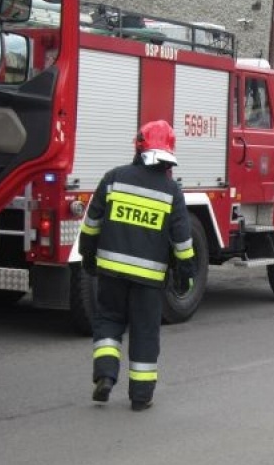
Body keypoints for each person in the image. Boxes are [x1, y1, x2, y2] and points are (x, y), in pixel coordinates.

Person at [79, 120, 196, 411]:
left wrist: (88, 257)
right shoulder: (172, 191)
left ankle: (105, 376)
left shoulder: (113, 178)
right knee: (144, 332)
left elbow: (91, 224)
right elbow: (182, 241)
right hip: (148, 280)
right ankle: (141, 396)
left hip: (111, 272)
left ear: (138, 146)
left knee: (108, 321)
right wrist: (186, 276)